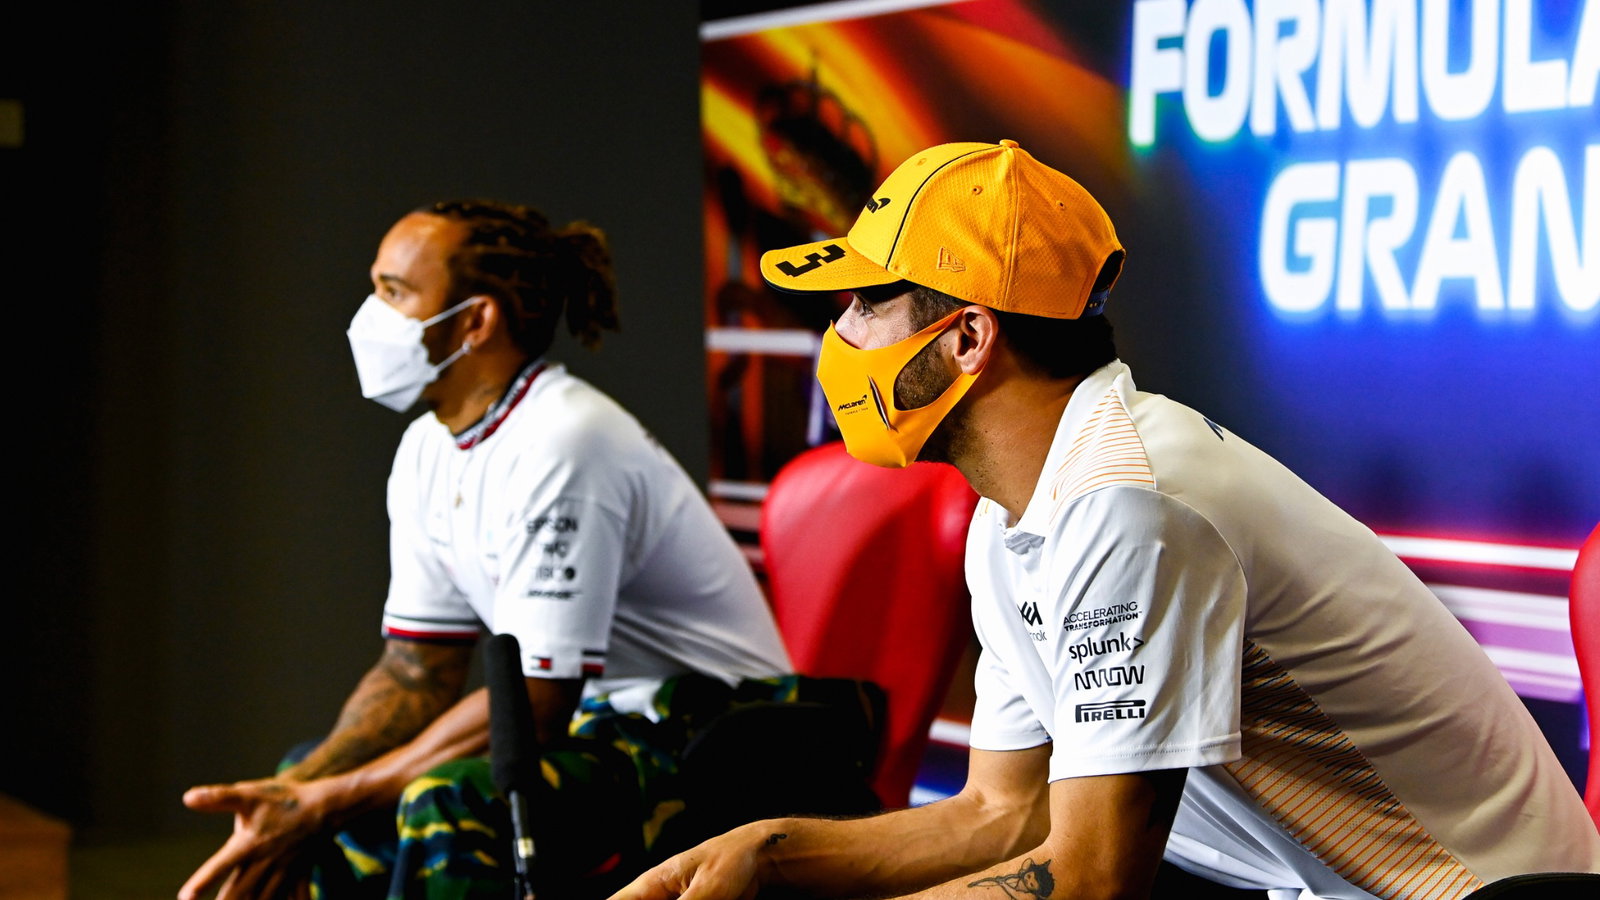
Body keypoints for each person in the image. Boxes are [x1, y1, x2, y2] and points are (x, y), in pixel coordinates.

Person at [611, 141, 1600, 900]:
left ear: (966, 338)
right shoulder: (1017, 516)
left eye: (867, 303)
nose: (840, 337)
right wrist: (766, 855)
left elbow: (1087, 879)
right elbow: (1003, 816)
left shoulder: (1130, 505)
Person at [179, 199, 798, 900]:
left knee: (443, 798)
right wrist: (291, 794)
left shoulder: (567, 442)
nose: (369, 314)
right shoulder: (426, 449)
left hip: (713, 742)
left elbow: (535, 703)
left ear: (475, 321)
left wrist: (331, 798)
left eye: (395, 292)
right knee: (308, 778)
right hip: (599, 731)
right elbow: (416, 672)